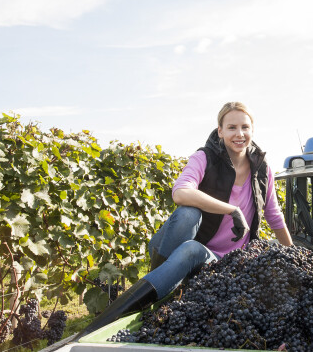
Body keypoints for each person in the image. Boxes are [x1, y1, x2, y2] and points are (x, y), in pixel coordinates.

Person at [77, 101, 292, 339]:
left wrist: (296, 259)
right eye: (232, 127)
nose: (239, 134)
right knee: (188, 216)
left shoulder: (262, 170)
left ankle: (160, 286)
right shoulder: (204, 158)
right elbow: (180, 192)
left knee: (193, 250)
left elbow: (274, 215)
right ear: (220, 131)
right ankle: (99, 327)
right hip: (186, 248)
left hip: (226, 261)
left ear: (252, 130)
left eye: (245, 127)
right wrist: (232, 209)